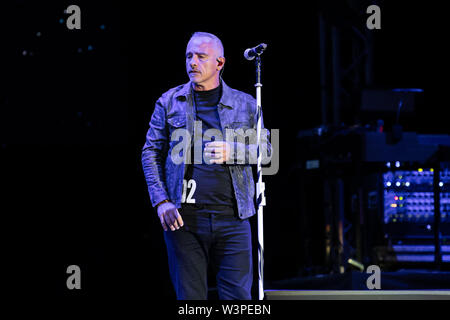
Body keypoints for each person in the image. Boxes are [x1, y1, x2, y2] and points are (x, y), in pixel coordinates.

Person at [141, 32, 271, 300]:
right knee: (191, 301)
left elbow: (268, 152)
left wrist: (233, 150)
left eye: (201, 56)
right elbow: (150, 152)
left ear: (220, 63)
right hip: (184, 220)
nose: (193, 62)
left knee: (238, 301)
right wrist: (161, 201)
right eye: (189, 56)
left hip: (234, 218)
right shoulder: (169, 102)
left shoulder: (245, 104)